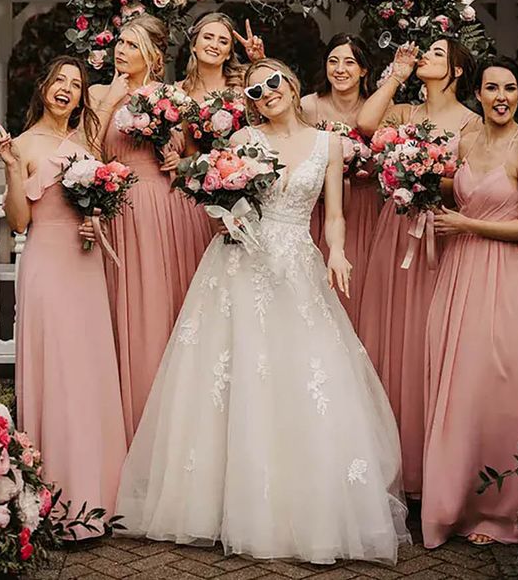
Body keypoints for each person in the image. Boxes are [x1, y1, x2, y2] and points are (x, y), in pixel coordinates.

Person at [116, 59, 410, 565]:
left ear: (292, 86)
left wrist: (337, 252)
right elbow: (224, 202)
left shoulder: (329, 144)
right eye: (255, 89)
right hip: (239, 265)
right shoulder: (241, 141)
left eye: (274, 81)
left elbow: (333, 216)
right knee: (234, 377)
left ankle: (305, 508)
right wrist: (228, 219)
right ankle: (224, 506)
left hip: (296, 261)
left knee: (304, 377)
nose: (266, 92)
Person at [0, 56, 125, 534]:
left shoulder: (89, 143)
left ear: (83, 96)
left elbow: (101, 201)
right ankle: (53, 501)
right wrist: (9, 168)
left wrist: (96, 220)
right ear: (44, 87)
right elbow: (20, 222)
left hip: (85, 265)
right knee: (56, 372)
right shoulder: (22, 145)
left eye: (76, 84)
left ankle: (99, 499)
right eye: (59, 81)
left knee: (88, 374)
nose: (66, 89)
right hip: (46, 262)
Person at [421, 56, 518, 548]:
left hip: (499, 274)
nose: (501, 96)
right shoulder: (466, 141)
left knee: (491, 385)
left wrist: (467, 225)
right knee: (453, 386)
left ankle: (496, 512)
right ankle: (451, 506)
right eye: (492, 87)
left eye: (510, 88)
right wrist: (410, 173)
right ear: (478, 93)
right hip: (457, 272)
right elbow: (456, 188)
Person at [357, 36, 478, 497]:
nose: (426, 56)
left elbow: (468, 183)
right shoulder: (406, 112)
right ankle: (391, 466)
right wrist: (398, 75)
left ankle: (431, 468)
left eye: (437, 54)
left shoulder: (470, 123)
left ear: (458, 71)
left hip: (439, 234)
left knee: (430, 340)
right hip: (395, 230)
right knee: (391, 335)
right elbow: (367, 122)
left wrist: (429, 178)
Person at [89, 13, 211, 442]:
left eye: (132, 45)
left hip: (166, 206)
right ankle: (128, 419)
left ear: (153, 56)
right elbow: (88, 149)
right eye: (120, 42)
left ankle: (173, 430)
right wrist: (112, 101)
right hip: (121, 206)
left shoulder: (172, 98)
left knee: (165, 305)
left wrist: (181, 163)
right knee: (127, 305)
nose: (121, 51)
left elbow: (195, 158)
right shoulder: (98, 92)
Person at [302, 33, 377, 325]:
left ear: (364, 69)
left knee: (359, 287)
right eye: (333, 61)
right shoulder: (309, 106)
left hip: (363, 207)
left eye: (349, 62)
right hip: (317, 208)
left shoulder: (375, 108)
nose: (340, 69)